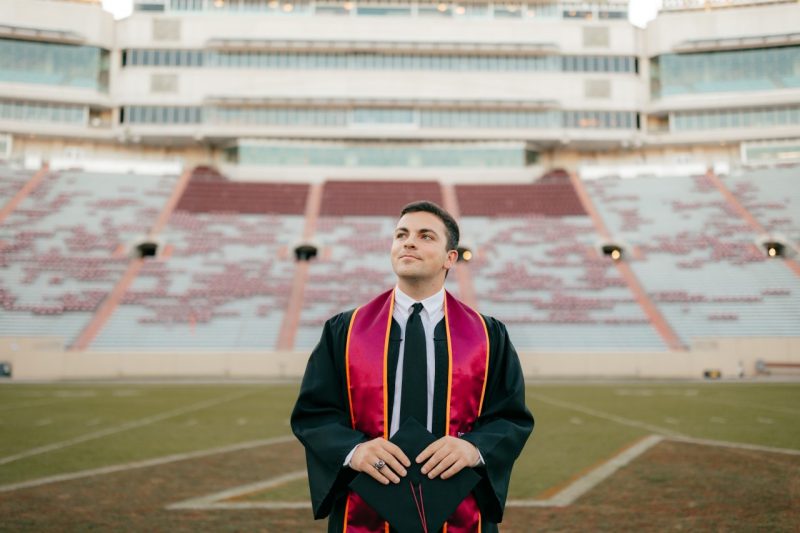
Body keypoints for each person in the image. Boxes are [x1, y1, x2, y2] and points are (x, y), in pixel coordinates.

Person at [291, 200, 534, 532]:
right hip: (365, 508)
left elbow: (511, 417)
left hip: (460, 510)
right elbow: (314, 414)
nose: (408, 242)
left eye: (425, 236)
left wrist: (473, 448)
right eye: (401, 234)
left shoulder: (488, 335)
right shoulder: (345, 331)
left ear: (451, 257)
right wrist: (353, 451)